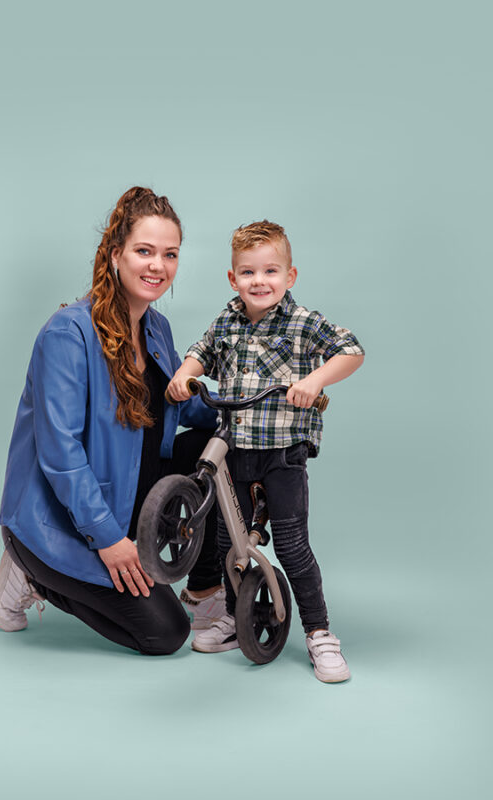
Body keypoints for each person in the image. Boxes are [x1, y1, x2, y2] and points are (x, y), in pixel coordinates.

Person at [0, 187, 226, 655]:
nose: (158, 266)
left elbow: (175, 403)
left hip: (126, 493)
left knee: (215, 446)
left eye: (170, 254)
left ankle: (203, 591)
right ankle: (30, 571)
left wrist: (239, 410)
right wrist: (108, 539)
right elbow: (60, 454)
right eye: (144, 251)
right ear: (116, 254)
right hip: (61, 519)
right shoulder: (67, 333)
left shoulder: (157, 328)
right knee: (165, 634)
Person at [167, 220, 365, 681]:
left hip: (282, 452)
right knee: (227, 542)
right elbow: (201, 351)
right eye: (249, 272)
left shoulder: (303, 323)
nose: (260, 281)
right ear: (233, 278)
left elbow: (351, 350)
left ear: (289, 276)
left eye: (271, 271)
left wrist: (314, 380)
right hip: (235, 450)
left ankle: (319, 632)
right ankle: (235, 618)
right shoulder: (227, 321)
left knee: (292, 547)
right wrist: (185, 373)